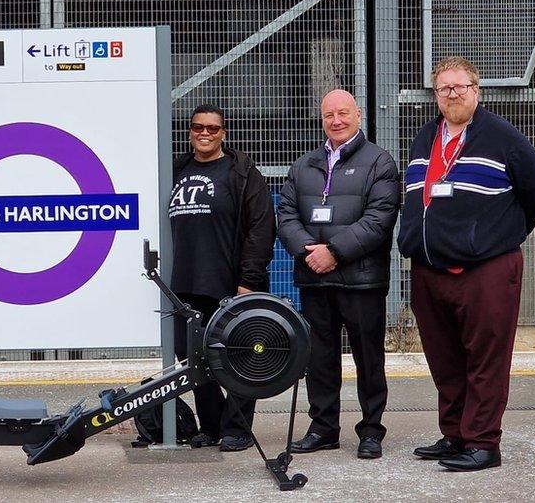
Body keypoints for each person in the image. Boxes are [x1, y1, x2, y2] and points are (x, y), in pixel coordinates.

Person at [397, 57, 535, 471]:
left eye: (459, 87)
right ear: (435, 95)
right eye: (443, 88)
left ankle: (483, 444)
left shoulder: (501, 135)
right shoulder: (425, 136)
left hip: (486, 269)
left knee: (484, 360)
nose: (452, 94)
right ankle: (455, 435)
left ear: (476, 90)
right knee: (445, 359)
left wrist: (502, 233)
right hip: (430, 270)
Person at [278, 89, 400, 459]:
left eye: (343, 113)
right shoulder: (303, 166)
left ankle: (371, 430)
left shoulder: (380, 162)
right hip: (315, 280)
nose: (336, 120)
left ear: (358, 114)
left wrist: (333, 252)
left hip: (362, 281)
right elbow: (286, 216)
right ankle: (323, 427)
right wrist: (307, 252)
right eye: (329, 114)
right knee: (319, 358)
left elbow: (379, 220)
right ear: (322, 119)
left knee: (368, 358)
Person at [168, 104, 276, 451]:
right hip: (184, 285)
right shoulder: (176, 170)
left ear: (223, 133)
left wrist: (249, 280)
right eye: (198, 127)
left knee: (240, 358)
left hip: (231, 284)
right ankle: (211, 426)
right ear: (189, 131)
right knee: (192, 359)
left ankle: (238, 428)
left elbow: (261, 228)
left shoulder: (241, 172)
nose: (205, 133)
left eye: (213, 129)